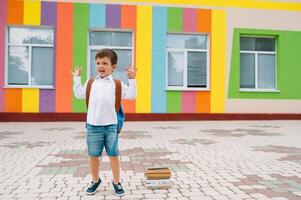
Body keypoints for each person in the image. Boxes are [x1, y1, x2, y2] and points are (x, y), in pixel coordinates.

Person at [72, 48, 137, 196]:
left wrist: (132, 79)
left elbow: (132, 95)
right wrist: (77, 79)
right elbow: (78, 94)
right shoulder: (90, 83)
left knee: (113, 155)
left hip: (111, 126)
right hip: (93, 126)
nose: (100, 66)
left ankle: (116, 182)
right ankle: (95, 180)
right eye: (98, 63)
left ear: (113, 67)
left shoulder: (117, 84)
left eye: (105, 63)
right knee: (93, 155)